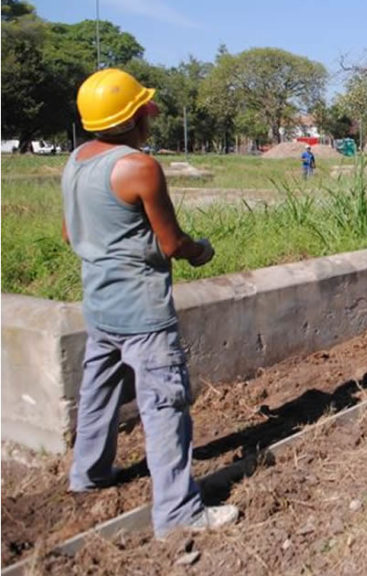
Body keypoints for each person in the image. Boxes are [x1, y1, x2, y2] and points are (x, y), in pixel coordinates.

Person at [62, 68, 239, 540]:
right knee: (164, 404)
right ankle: (179, 514)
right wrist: (201, 250)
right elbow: (170, 242)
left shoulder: (76, 161)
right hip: (142, 312)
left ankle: (89, 474)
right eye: (145, 108)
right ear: (134, 116)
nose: (150, 115)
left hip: (99, 305)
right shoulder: (139, 167)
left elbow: (69, 231)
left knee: (98, 393)